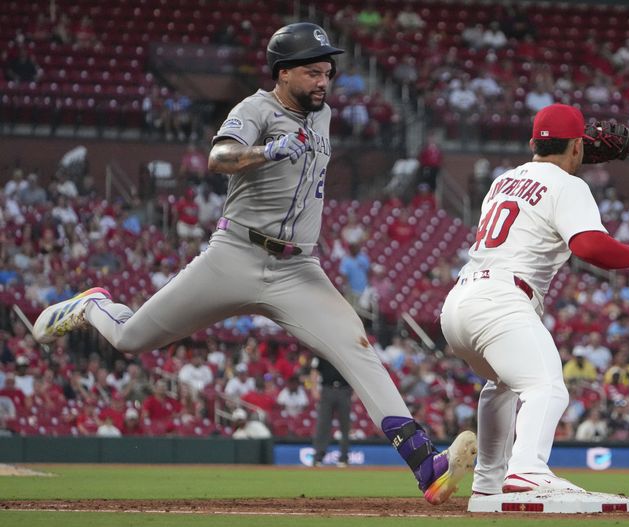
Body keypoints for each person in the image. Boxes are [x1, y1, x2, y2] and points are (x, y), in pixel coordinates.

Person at [32, 22, 475, 506]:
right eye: (312, 72)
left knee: (356, 346)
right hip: (236, 255)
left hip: (297, 270)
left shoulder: (320, 114)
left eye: (327, 71)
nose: (323, 82)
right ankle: (95, 305)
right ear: (282, 73)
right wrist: (266, 150)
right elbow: (219, 156)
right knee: (132, 339)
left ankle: (425, 463)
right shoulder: (255, 108)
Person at [440, 104, 629, 501]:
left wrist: (570, 154)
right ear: (577, 147)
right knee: (547, 386)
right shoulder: (569, 185)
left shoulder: (503, 180)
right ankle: (527, 471)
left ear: (532, 143)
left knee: (503, 384)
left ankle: (489, 484)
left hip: (460, 302)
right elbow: (590, 246)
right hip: (501, 301)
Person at [312, 357, 352, 467]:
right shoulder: (323, 350)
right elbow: (315, 370)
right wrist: (314, 388)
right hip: (327, 389)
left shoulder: (346, 352)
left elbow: (355, 371)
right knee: (323, 424)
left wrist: (356, 390)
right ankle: (318, 457)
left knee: (345, 426)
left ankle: (344, 457)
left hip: (344, 390)